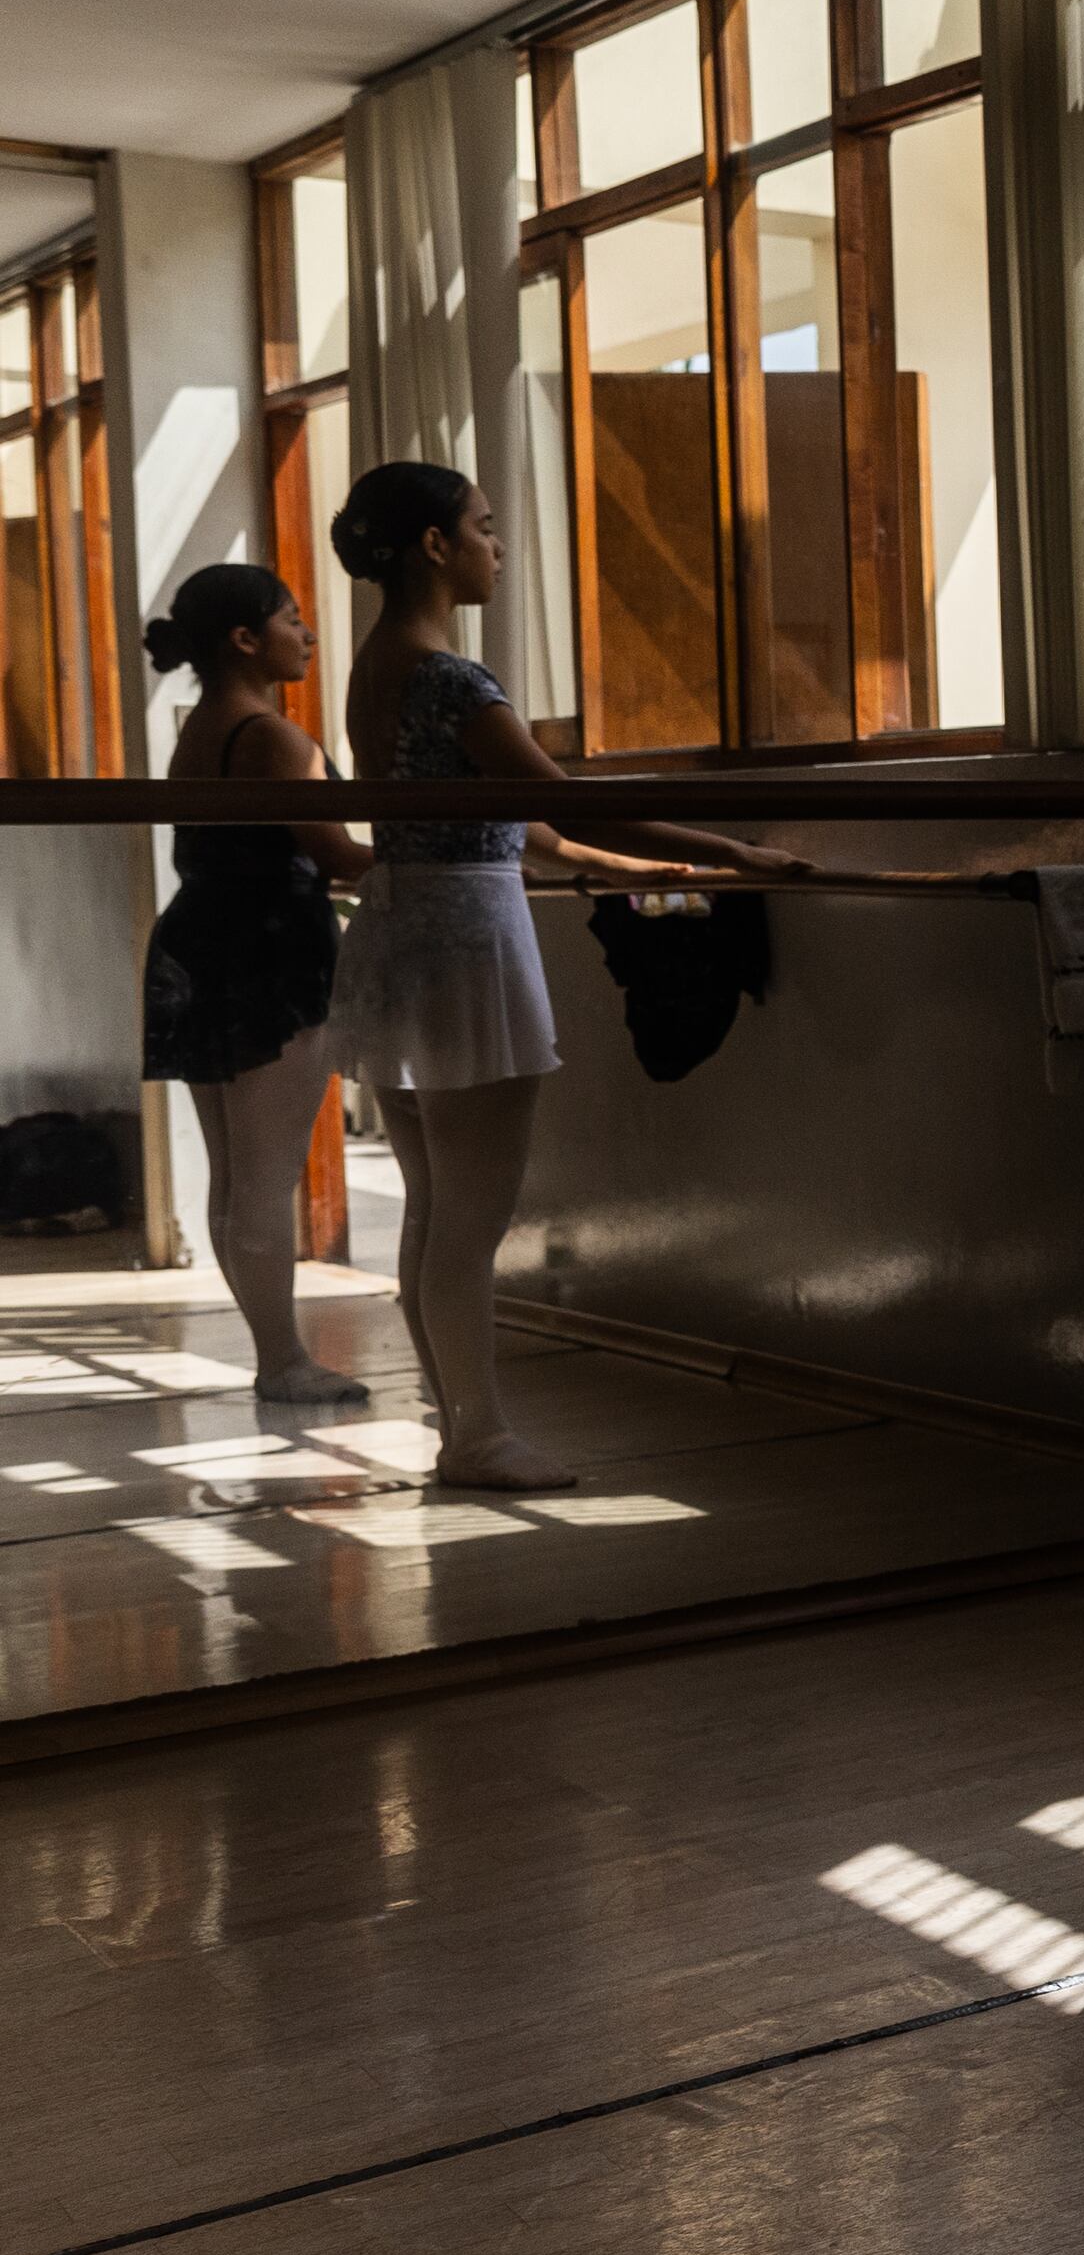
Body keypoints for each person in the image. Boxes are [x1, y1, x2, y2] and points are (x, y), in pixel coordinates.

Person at [320, 462, 819, 1490]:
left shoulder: (378, 663)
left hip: (405, 923)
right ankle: (476, 1436)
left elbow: (525, 821)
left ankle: (458, 1419)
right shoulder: (449, 676)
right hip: (463, 935)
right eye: (485, 528)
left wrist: (644, 864)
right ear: (433, 546)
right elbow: (565, 802)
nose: (496, 548)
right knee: (472, 1215)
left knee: (430, 1206)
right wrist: (733, 851)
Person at [138, 565, 371, 1404]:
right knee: (266, 1172)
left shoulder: (200, 727)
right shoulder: (271, 736)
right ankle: (281, 1360)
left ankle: (275, 1350)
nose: (307, 635)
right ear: (246, 638)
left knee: (236, 1172)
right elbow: (338, 853)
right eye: (294, 617)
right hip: (269, 947)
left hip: (202, 938)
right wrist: (448, 855)